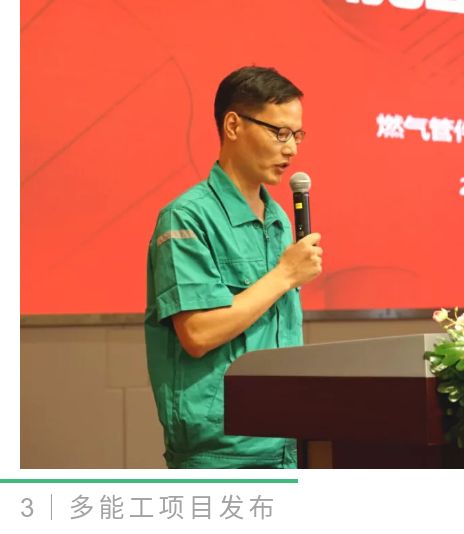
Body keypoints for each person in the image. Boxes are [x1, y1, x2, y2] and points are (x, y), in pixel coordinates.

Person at [144, 66, 323, 468]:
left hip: (285, 442)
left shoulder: (278, 220)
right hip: (222, 453)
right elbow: (198, 333)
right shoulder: (187, 217)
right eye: (280, 132)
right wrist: (284, 275)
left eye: (297, 135)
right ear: (233, 125)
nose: (291, 150)